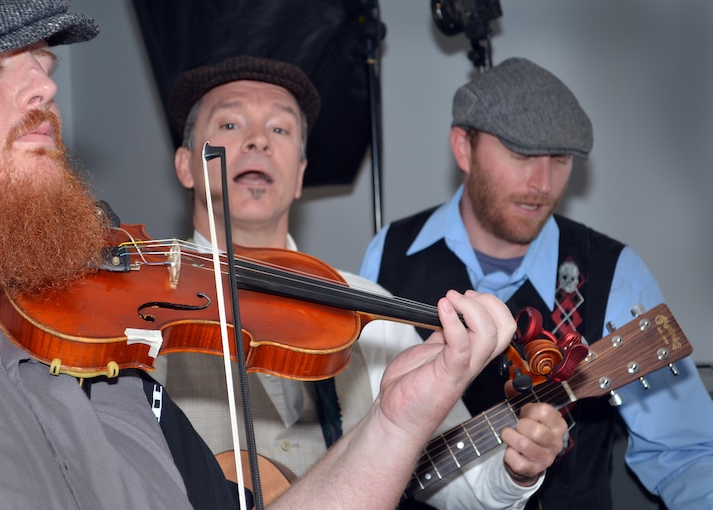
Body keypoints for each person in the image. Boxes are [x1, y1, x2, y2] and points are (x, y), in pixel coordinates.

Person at [0, 1, 520, 509]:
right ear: (185, 166)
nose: (48, 86)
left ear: (302, 175)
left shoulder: (108, 370)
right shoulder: (118, 324)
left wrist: (394, 421)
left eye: (46, 65)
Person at [161, 55, 568, 509]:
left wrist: (514, 467)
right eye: (231, 125)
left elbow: (464, 484)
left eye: (280, 129)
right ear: (184, 165)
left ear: (299, 174)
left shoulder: (366, 307)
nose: (258, 141)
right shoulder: (138, 308)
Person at [359, 57, 713, 510]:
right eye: (523, 155)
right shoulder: (389, 251)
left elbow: (686, 454)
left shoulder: (615, 272)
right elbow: (358, 426)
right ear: (463, 149)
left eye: (560, 159)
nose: (542, 183)